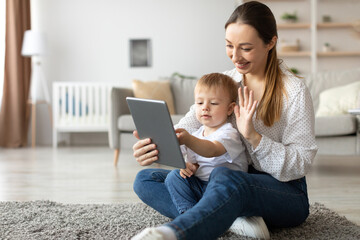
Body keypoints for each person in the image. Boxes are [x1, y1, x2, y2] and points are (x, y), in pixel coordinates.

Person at [131, 1, 318, 239]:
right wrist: (158, 144)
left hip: (284, 192)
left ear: (271, 42)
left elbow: (300, 163)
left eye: (246, 48)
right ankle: (232, 219)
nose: (235, 56)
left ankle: (174, 233)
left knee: (224, 176)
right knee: (146, 179)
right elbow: (187, 125)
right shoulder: (227, 82)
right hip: (227, 182)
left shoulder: (293, 91)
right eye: (229, 46)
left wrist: (254, 136)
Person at [166, 72, 248, 215]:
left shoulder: (229, 133)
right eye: (199, 103)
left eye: (214, 103)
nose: (205, 107)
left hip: (225, 189)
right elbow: (181, 156)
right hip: (201, 187)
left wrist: (187, 140)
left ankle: (208, 214)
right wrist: (185, 166)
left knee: (220, 173)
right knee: (173, 176)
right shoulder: (195, 134)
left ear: (230, 109)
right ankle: (190, 214)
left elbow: (212, 150)